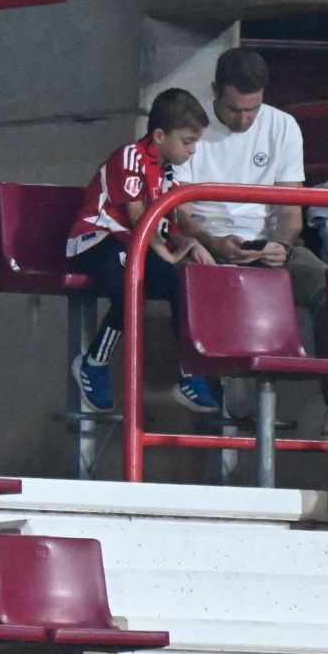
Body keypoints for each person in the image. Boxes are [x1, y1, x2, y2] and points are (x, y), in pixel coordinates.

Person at [68, 89, 219, 413]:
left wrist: (188, 244)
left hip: (134, 245)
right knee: (132, 283)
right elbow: (139, 217)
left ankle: (189, 373)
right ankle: (93, 363)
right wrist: (164, 254)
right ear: (160, 135)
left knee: (179, 286)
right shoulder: (129, 157)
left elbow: (167, 227)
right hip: (96, 240)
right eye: (188, 141)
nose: (193, 150)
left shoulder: (168, 174)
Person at [173, 47, 325, 317]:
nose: (244, 119)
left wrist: (282, 247)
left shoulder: (283, 126)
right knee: (184, 280)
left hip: (265, 246)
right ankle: (201, 359)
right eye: (234, 109)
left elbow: (290, 211)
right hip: (203, 243)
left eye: (253, 109)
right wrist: (211, 242)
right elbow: (180, 210)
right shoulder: (187, 127)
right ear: (214, 90)